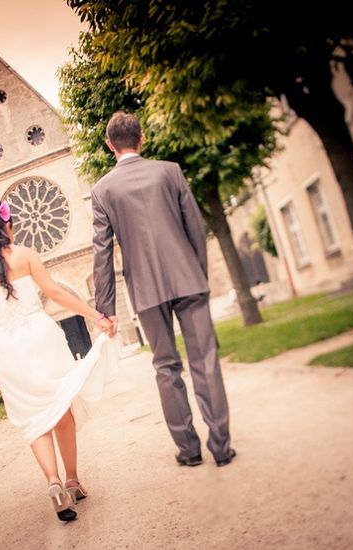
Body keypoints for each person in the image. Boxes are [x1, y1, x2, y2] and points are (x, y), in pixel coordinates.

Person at [91, 111, 235, 467]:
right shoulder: (170, 171)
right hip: (187, 278)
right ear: (142, 139)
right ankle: (221, 448)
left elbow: (102, 252)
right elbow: (195, 227)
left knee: (166, 367)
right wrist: (198, 273)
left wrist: (104, 308)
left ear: (110, 145)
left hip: (145, 289)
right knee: (205, 361)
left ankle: (188, 451)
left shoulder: (102, 190)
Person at [0, 197, 118, 522]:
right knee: (61, 410)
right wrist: (95, 314)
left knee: (35, 419)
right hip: (41, 338)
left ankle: (53, 482)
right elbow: (57, 293)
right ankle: (73, 480)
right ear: (8, 226)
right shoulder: (24, 256)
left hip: (6, 349)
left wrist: (2, 334)